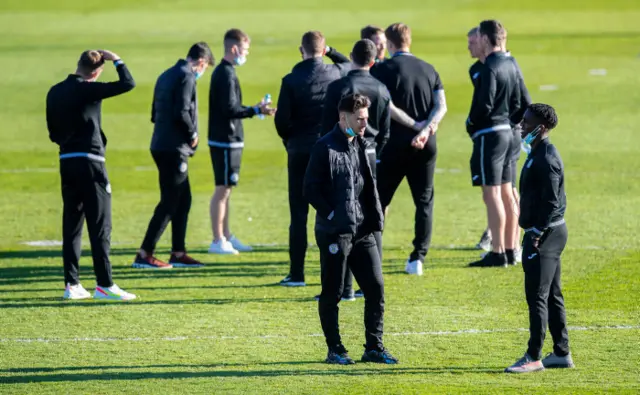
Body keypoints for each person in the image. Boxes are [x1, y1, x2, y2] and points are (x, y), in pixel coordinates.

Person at [304, 93, 398, 365]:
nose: (364, 124)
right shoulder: (325, 147)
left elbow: (368, 186)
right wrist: (333, 215)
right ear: (343, 116)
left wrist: (373, 217)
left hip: (363, 231)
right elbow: (310, 189)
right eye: (359, 119)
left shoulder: (363, 144)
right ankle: (335, 349)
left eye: (366, 119)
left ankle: (373, 347)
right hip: (335, 232)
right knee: (332, 292)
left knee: (376, 288)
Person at [46, 49, 136, 300]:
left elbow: (53, 133)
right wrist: (117, 59)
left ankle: (72, 285)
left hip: (66, 161)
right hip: (92, 163)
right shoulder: (89, 89)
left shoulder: (54, 91)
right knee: (100, 224)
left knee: (72, 224)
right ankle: (105, 285)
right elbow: (128, 83)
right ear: (96, 72)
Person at [274, 31, 350, 287]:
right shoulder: (336, 73)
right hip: (329, 151)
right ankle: (337, 273)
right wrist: (330, 50)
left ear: (301, 50)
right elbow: (350, 64)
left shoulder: (291, 79)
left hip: (299, 151)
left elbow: (281, 122)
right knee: (333, 210)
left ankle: (297, 273)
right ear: (323, 49)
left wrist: (290, 141)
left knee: (298, 214)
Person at [320, 38, 394, 300]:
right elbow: (385, 130)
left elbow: (328, 125)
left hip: (344, 151)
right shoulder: (382, 89)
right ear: (374, 60)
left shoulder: (339, 86)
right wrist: (374, 151)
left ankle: (346, 287)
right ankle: (370, 282)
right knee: (371, 212)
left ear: (351, 56)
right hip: (371, 154)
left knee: (346, 212)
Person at [372, 23, 448, 276]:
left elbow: (388, 106)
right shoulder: (429, 68)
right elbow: (441, 106)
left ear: (390, 44)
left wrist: (414, 125)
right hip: (426, 145)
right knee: (424, 201)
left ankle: (373, 253)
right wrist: (426, 130)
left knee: (379, 200)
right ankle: (418, 257)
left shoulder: (382, 70)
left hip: (393, 144)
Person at [132, 43, 214, 269]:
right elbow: (182, 110)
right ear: (201, 62)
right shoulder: (187, 77)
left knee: (183, 199)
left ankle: (178, 252)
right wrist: (192, 133)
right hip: (174, 147)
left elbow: (153, 113)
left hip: (160, 143)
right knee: (170, 201)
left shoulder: (166, 74)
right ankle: (145, 253)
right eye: (205, 66)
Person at [505, 103, 573, 373]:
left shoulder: (546, 158)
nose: (522, 126)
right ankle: (561, 352)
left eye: (527, 123)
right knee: (552, 294)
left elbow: (552, 200)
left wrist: (536, 232)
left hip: (546, 236)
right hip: (549, 233)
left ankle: (533, 356)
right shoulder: (538, 151)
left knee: (538, 296)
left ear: (541, 128)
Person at [207, 28, 276, 254]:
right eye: (245, 49)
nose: (246, 54)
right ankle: (218, 239)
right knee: (222, 190)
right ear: (234, 48)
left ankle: (226, 235)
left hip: (229, 139)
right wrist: (255, 110)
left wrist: (255, 110)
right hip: (225, 140)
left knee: (227, 189)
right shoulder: (225, 74)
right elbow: (229, 110)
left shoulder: (227, 72)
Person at [468, 27, 531, 264]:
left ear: (485, 39)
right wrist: (514, 124)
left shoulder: (491, 66)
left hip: (492, 133)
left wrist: (471, 122)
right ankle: (512, 248)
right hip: (512, 133)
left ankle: (497, 252)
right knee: (508, 191)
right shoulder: (512, 62)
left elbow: (484, 104)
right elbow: (525, 102)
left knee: (492, 192)